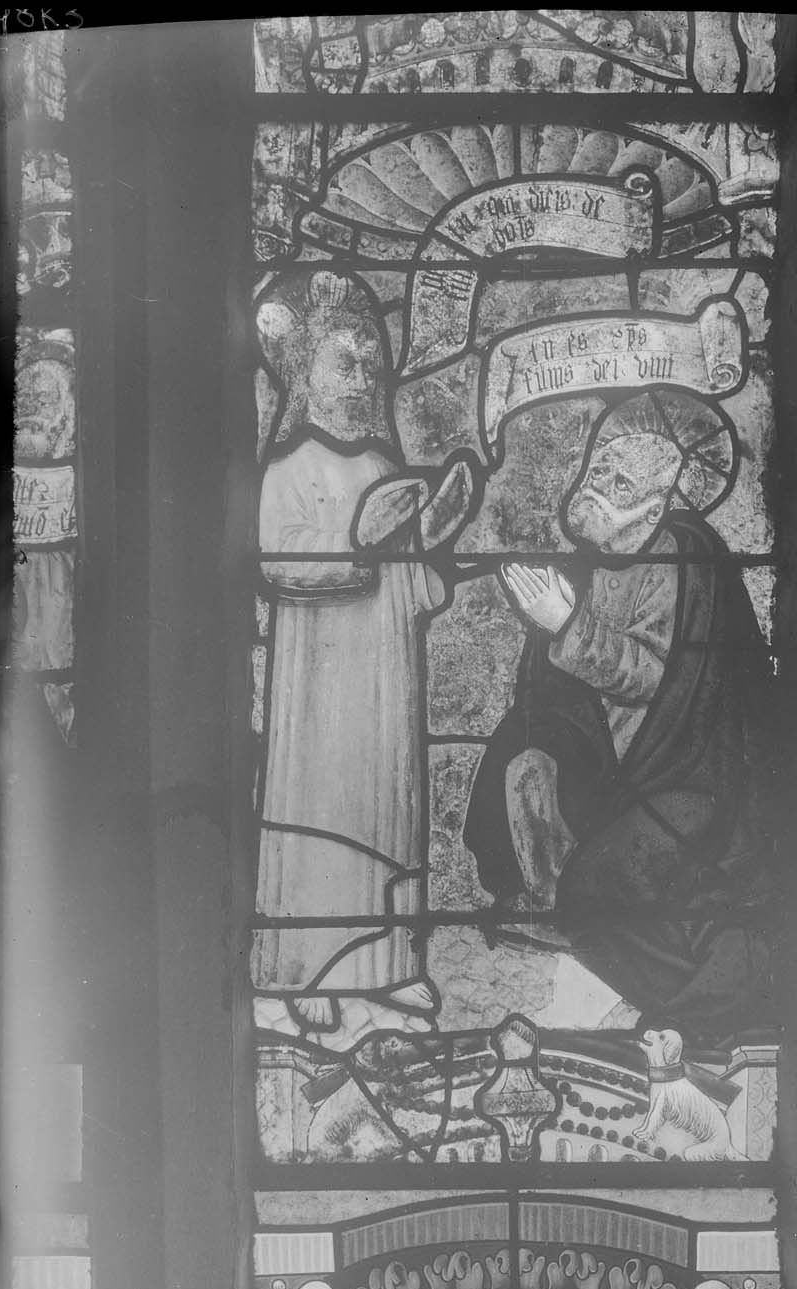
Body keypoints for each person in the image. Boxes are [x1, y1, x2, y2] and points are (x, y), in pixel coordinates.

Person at [463, 390, 774, 1042]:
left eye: (620, 482)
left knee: (604, 884)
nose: (598, 487)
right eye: (598, 470)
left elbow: (663, 680)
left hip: (684, 775)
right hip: (606, 766)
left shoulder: (681, 558)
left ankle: (625, 987)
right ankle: (553, 907)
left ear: (654, 507)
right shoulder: (588, 562)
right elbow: (549, 696)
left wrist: (566, 623)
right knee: (524, 763)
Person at [252, 268, 474, 1053]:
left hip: (387, 674)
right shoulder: (288, 470)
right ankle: (308, 971)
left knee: (390, 805)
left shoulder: (380, 467)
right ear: (302, 375)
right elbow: (278, 563)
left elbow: (412, 583)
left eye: (369, 364)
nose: (361, 379)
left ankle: (389, 962)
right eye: (343, 364)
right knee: (322, 813)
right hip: (320, 685)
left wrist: (434, 531)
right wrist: (357, 545)